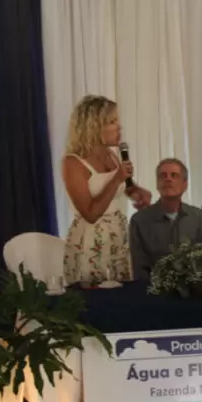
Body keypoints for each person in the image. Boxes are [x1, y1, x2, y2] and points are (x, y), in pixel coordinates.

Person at [61, 96, 152, 285]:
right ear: (93, 127)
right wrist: (117, 177)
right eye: (112, 122)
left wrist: (137, 192)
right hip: (91, 241)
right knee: (94, 294)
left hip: (117, 234)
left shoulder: (111, 155)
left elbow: (121, 188)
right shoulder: (73, 163)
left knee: (120, 291)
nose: (119, 127)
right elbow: (90, 214)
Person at [129, 158, 202, 280]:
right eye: (163, 175)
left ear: (185, 184)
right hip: (154, 287)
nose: (168, 179)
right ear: (157, 184)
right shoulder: (140, 221)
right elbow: (139, 268)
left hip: (193, 286)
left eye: (174, 175)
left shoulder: (198, 217)